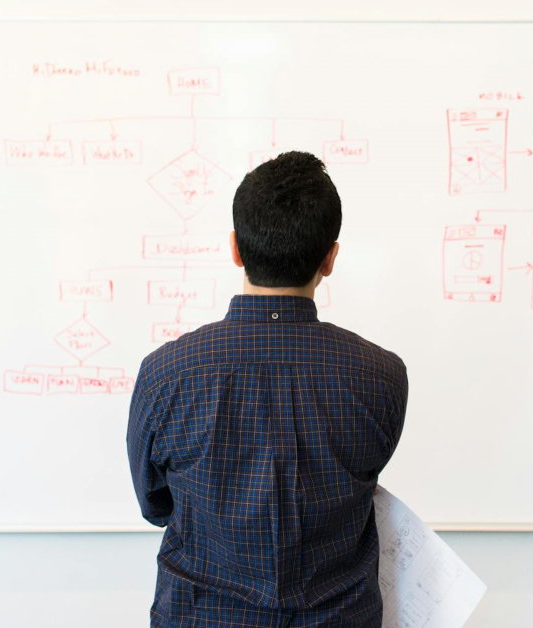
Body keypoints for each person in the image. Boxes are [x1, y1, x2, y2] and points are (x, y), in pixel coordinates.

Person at [127, 151, 409, 627]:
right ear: (330, 257)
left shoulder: (165, 374)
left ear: (235, 248)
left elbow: (156, 505)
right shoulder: (381, 375)